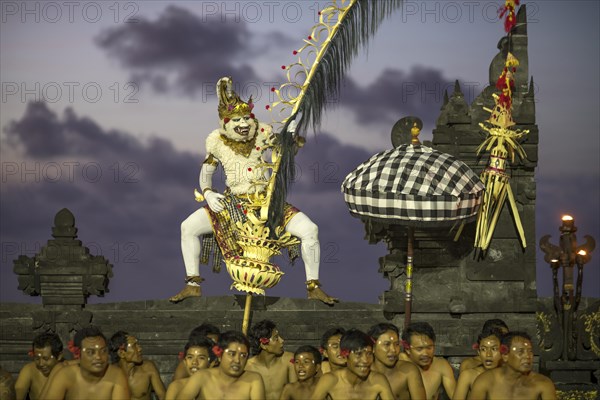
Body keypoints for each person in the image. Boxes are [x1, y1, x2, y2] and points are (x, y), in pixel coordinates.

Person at [169, 76, 337, 305]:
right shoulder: (216, 141)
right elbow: (205, 175)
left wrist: (290, 136)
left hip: (267, 204)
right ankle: (193, 284)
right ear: (226, 122)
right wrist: (208, 192)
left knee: (310, 230)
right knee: (188, 227)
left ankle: (313, 287)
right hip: (233, 205)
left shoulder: (263, 133)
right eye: (237, 119)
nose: (244, 123)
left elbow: (284, 155)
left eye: (247, 117)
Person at [41, 326, 130, 400]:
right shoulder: (65, 375)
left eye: (103, 351)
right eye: (91, 352)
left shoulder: (116, 375)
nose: (98, 357)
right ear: (78, 355)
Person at [176, 330, 265, 400]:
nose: (238, 360)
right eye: (231, 354)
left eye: (243, 355)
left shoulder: (253, 380)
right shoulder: (201, 377)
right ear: (219, 355)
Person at [468, 332, 556, 400]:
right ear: (505, 355)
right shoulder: (485, 380)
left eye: (530, 351)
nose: (527, 356)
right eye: (520, 351)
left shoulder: (543, 383)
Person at [311, 329, 394, 400]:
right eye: (358, 354)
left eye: (369, 354)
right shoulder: (330, 380)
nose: (365, 360)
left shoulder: (378, 380)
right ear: (345, 355)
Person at [367, 323, 426, 400]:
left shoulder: (409, 371)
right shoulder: (364, 373)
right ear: (373, 348)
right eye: (387, 344)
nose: (393, 350)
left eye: (396, 344)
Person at [400, 322, 456, 400]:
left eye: (429, 348)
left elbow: (456, 397)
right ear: (407, 349)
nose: (425, 353)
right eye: (419, 349)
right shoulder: (398, 364)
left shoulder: (441, 365)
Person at [245, 320, 296, 400]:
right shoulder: (248, 367)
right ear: (264, 345)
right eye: (276, 338)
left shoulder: (289, 360)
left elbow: (295, 393)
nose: (282, 340)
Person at [109, 331, 166, 400]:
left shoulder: (148, 368)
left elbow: (163, 397)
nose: (139, 349)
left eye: (137, 345)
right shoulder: (110, 374)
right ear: (122, 353)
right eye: (134, 346)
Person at [452, 327, 503, 400]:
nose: (488, 354)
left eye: (494, 349)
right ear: (478, 352)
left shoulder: (510, 377)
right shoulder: (468, 376)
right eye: (483, 349)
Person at [15, 332, 64, 400]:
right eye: (37, 358)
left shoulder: (68, 371)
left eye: (46, 358)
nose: (41, 364)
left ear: (59, 356)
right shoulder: (29, 370)